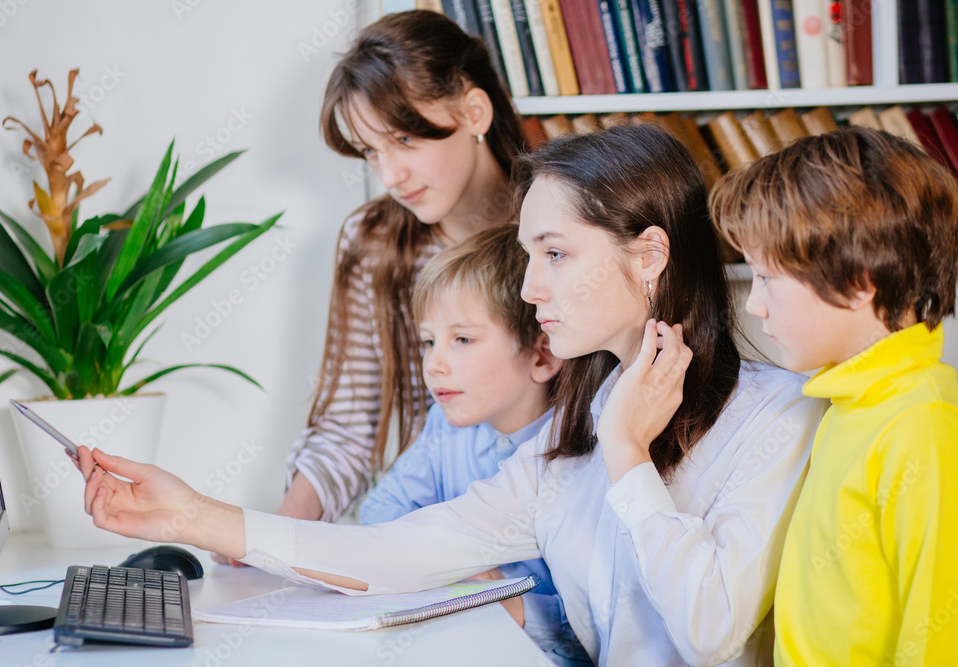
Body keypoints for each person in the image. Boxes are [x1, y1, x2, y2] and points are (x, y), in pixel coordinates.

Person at [74, 125, 826, 666]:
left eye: (555, 254)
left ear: (650, 254)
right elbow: (400, 552)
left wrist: (630, 457)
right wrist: (192, 515)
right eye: (530, 256)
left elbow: (710, 631)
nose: (531, 289)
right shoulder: (574, 439)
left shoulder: (779, 414)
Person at [711, 126, 958, 666]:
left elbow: (940, 634)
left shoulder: (923, 423)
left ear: (858, 279)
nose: (754, 304)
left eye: (767, 277)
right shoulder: (853, 401)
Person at [275, 10, 524, 529]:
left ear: (474, 111)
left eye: (405, 140)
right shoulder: (374, 244)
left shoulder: (560, 225)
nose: (390, 175)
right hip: (434, 534)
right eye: (370, 151)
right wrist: (276, 538)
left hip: (558, 530)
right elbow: (349, 429)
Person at [358, 224, 587, 664]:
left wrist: (515, 606)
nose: (434, 364)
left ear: (542, 355)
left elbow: (597, 620)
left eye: (461, 339)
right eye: (428, 342)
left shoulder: (579, 451)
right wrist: (452, 558)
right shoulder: (445, 429)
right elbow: (380, 511)